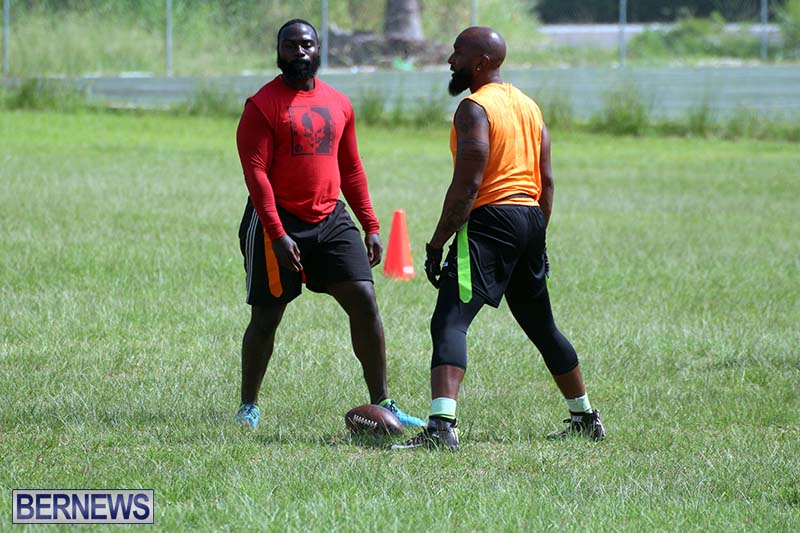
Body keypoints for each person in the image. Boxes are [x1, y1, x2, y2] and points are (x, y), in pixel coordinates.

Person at [395, 27, 605, 450]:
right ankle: (584, 417)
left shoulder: (474, 108)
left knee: (450, 320)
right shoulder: (529, 106)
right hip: (529, 218)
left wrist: (437, 243)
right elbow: (546, 182)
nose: (450, 60)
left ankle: (441, 428)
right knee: (541, 325)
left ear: (481, 62)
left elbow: (468, 186)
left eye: (457, 53)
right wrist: (537, 237)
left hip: (491, 220)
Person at [234, 19, 423, 430]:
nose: (299, 52)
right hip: (276, 219)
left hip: (330, 217)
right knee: (266, 317)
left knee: (365, 301)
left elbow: (351, 168)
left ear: (318, 50)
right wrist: (277, 234)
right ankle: (248, 406)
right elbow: (256, 176)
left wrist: (371, 225)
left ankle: (383, 402)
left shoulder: (339, 103)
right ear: (278, 52)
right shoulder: (261, 106)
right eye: (290, 45)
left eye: (307, 44)